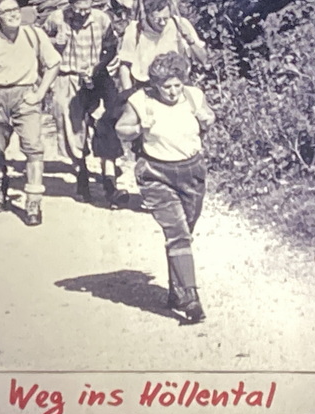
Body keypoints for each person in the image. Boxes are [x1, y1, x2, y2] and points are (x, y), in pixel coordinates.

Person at [115, 52, 214, 323]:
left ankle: (177, 291)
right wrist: (138, 127)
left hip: (192, 173)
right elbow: (121, 129)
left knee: (185, 233)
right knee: (177, 234)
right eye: (166, 86)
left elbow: (209, 117)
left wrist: (207, 118)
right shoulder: (141, 101)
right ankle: (191, 299)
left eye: (177, 85)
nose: (172, 91)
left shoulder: (193, 96)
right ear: (155, 84)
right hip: (156, 174)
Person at [0, 0, 61, 225]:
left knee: (34, 148)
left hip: (25, 96)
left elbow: (54, 63)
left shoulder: (34, 35)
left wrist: (40, 93)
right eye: (7, 12)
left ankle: (33, 200)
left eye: (15, 10)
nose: (14, 15)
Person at [43, 0, 129, 207]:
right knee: (72, 126)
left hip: (96, 75)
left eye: (87, 8)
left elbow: (111, 48)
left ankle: (110, 182)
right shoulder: (56, 18)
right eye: (78, 9)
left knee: (105, 123)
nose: (83, 13)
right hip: (67, 76)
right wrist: (55, 41)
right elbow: (40, 43)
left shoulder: (101, 19)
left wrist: (98, 67)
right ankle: (81, 174)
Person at [118, 0, 206, 91]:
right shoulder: (135, 30)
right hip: (147, 86)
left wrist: (189, 39)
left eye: (166, 18)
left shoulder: (179, 24)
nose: (162, 23)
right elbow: (125, 66)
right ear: (147, 14)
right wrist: (128, 93)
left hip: (177, 84)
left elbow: (203, 60)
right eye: (157, 19)